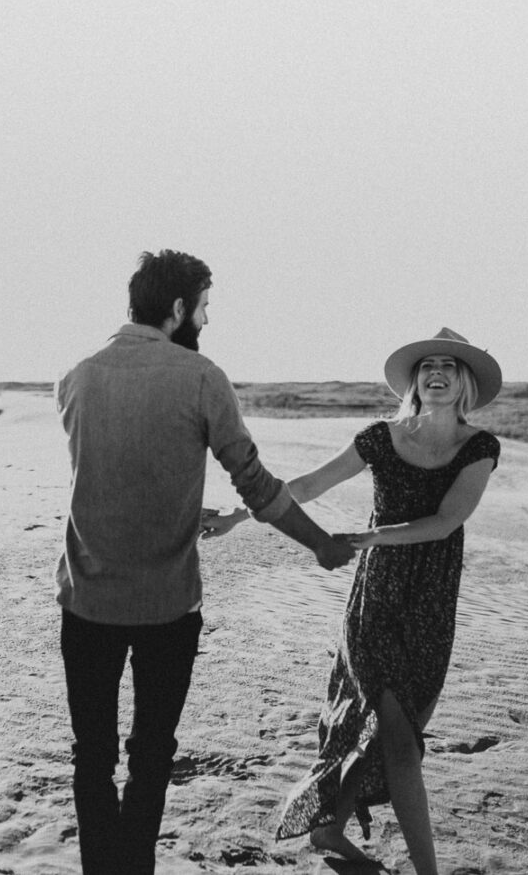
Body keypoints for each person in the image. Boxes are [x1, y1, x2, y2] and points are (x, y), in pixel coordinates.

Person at [55, 249, 356, 875]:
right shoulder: (200, 377)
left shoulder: (76, 377)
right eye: (204, 308)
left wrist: (177, 506)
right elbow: (257, 486)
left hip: (87, 602)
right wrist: (321, 543)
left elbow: (114, 474)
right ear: (177, 308)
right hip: (167, 607)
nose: (206, 321)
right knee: (151, 755)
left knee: (92, 756)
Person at [202, 327, 502, 874]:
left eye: (449, 366)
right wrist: (236, 516)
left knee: (392, 729)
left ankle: (329, 827)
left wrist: (368, 537)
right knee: (401, 741)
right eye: (427, 365)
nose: (436, 373)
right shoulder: (380, 438)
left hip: (432, 601)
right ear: (414, 381)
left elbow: (446, 521)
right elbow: (307, 486)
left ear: (465, 383)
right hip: (376, 599)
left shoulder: (480, 447)